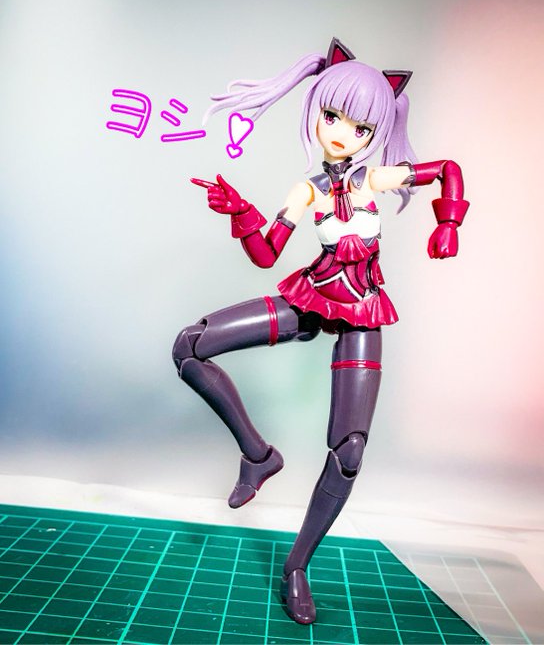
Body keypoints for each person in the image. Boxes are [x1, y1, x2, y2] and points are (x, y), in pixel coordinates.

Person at [172, 38, 469, 624]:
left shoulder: (376, 178)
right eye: (331, 116)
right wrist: (241, 213)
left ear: (375, 131)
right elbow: (266, 253)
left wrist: (449, 224)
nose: (341, 133)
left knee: (349, 451)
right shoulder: (306, 189)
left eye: (359, 126)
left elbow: (448, 171)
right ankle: (258, 455)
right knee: (190, 346)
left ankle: (297, 566)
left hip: (361, 311)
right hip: (310, 299)